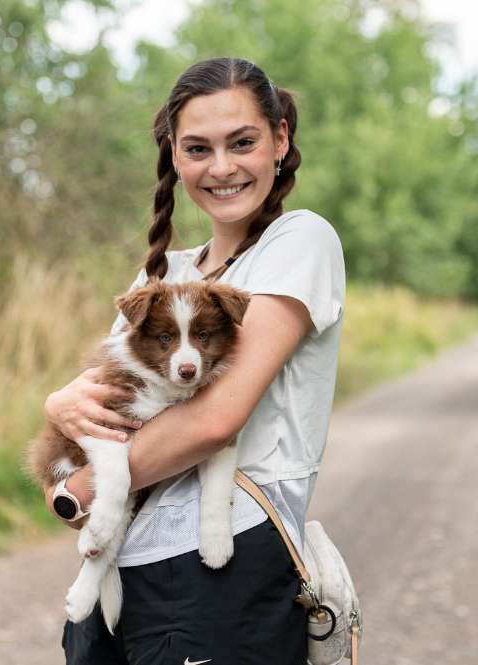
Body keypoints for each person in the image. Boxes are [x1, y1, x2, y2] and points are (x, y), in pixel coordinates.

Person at [41, 57, 346, 665]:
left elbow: (212, 422)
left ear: (281, 139)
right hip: (127, 565)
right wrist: (56, 406)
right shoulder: (164, 276)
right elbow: (108, 405)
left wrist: (75, 490)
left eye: (243, 142)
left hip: (226, 569)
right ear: (176, 160)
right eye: (198, 148)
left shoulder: (299, 241)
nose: (223, 167)